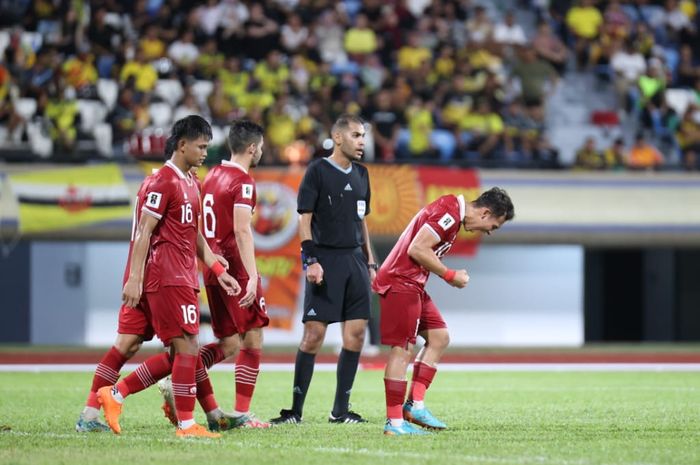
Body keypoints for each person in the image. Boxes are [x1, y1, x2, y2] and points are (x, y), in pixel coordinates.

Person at [97, 115, 241, 438]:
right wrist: (134, 278)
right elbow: (144, 232)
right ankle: (187, 425)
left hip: (186, 275)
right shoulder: (163, 180)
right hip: (167, 275)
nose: (206, 152)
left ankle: (116, 394)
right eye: (201, 146)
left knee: (183, 351)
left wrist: (217, 268)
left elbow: (195, 237)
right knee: (187, 347)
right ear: (182, 145)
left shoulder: (193, 182)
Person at [374, 188, 514, 435]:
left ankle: (414, 407)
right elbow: (417, 249)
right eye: (495, 225)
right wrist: (450, 275)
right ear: (485, 212)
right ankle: (394, 423)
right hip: (400, 282)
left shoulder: (452, 213)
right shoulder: (448, 212)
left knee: (439, 337)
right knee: (403, 350)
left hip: (412, 283)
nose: (491, 231)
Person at [159, 120, 272, 428]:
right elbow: (241, 229)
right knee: (253, 338)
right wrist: (251, 275)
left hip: (214, 269)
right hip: (233, 270)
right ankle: (242, 413)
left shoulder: (212, 176)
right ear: (252, 148)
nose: (261, 151)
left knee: (230, 343)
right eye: (260, 146)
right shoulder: (243, 181)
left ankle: (181, 375)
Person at [270, 114, 377, 424]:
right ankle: (295, 411)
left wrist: (371, 263)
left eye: (363, 136)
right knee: (313, 336)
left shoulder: (362, 174)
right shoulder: (317, 170)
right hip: (326, 261)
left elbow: (362, 221)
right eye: (356, 135)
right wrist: (310, 261)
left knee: (355, 336)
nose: (362, 142)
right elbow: (304, 218)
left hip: (355, 261)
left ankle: (340, 412)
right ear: (339, 138)